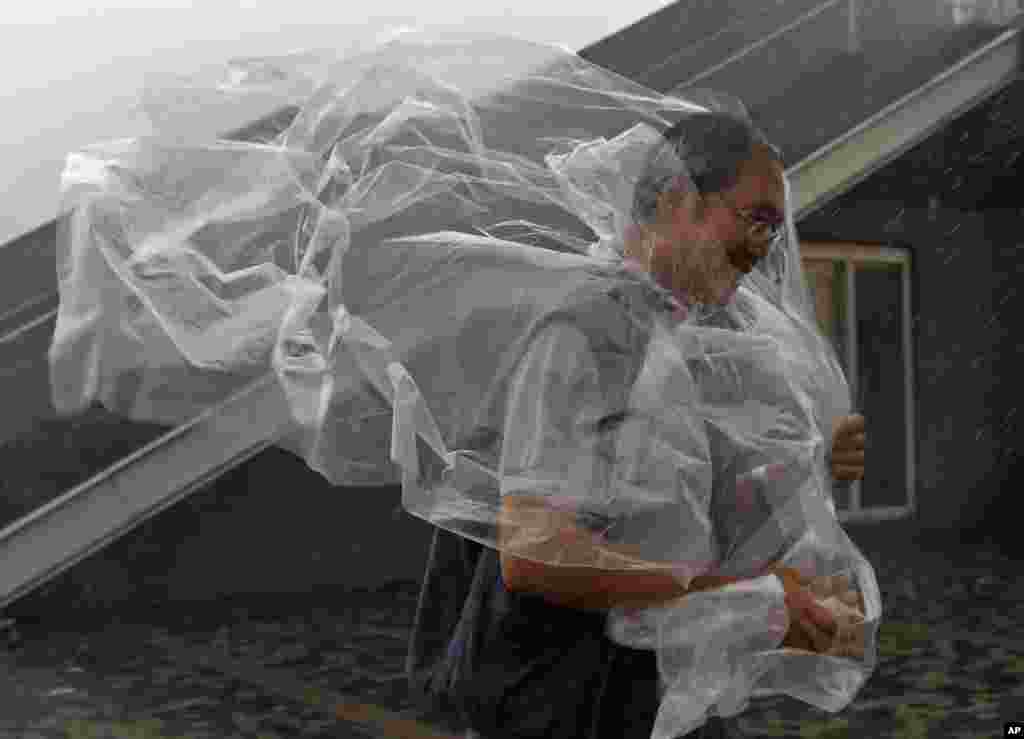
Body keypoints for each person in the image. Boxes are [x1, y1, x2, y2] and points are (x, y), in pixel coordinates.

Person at [406, 111, 868, 739]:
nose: (764, 250)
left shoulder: (669, 338)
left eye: (773, 230)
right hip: (571, 702)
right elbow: (536, 554)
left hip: (642, 695)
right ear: (678, 199)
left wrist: (812, 475)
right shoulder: (584, 333)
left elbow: (670, 518)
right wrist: (750, 601)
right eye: (755, 219)